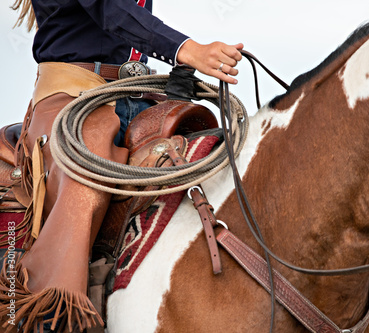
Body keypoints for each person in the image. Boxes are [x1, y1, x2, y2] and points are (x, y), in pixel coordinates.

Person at [1, 0, 243, 331]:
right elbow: (109, 8)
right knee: (84, 181)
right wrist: (186, 50)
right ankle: (49, 312)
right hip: (72, 95)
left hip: (133, 92)